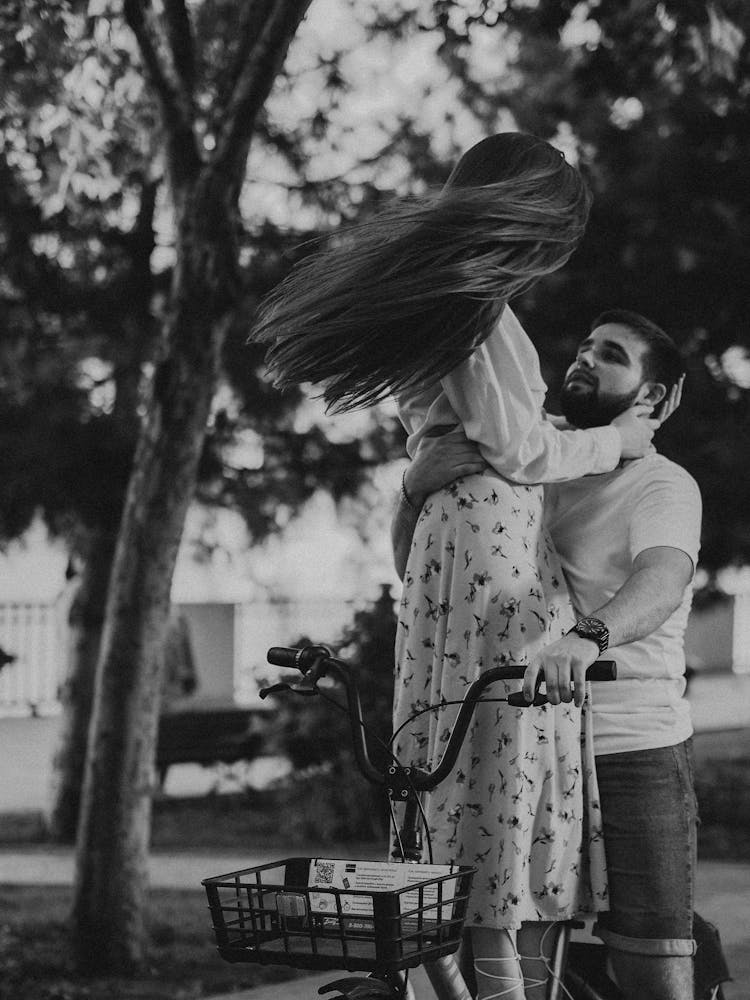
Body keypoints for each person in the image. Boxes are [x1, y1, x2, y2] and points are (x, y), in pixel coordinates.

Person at [252, 132, 662, 1000]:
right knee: (497, 763)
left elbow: (466, 441)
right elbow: (518, 446)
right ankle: (496, 975)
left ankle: (478, 973)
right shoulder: (477, 312)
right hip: (488, 546)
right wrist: (614, 442)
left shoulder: (450, 305)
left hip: (453, 547)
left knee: (462, 768)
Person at [396, 310, 702, 1000]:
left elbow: (661, 580)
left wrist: (584, 638)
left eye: (612, 354)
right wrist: (414, 488)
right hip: (517, 738)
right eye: (584, 345)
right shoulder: (531, 459)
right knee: (505, 958)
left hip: (626, 741)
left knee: (651, 963)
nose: (584, 359)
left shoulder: (662, 485)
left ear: (652, 398)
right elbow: (427, 576)